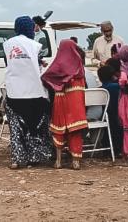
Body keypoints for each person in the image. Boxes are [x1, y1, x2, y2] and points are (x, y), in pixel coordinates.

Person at [2, 16, 53, 169]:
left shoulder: (7, 45)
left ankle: (17, 159)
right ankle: (34, 157)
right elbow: (36, 65)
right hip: (34, 93)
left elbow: (10, 64)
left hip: (14, 93)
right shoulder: (35, 45)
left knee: (16, 128)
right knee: (34, 127)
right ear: (30, 28)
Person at [41, 39, 88, 170]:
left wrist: (58, 83)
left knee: (59, 129)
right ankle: (76, 161)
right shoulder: (79, 64)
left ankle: (58, 161)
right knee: (75, 130)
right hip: (76, 101)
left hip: (60, 99)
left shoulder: (58, 62)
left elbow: (45, 77)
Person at [98, 66, 123, 155]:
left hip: (106, 117)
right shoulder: (118, 87)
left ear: (100, 78)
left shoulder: (100, 89)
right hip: (118, 115)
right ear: (113, 76)